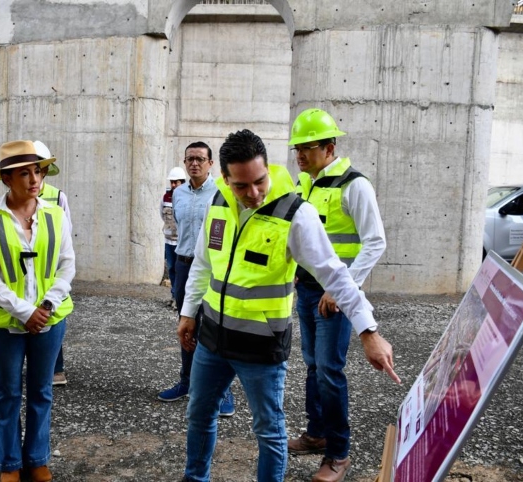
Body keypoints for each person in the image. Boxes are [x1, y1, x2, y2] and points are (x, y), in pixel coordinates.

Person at [177, 129, 399, 482]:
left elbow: (336, 275)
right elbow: (204, 263)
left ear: (268, 168)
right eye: (241, 186)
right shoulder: (217, 203)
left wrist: (368, 331)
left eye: (260, 181)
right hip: (212, 340)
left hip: (261, 347)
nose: (253, 193)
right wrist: (188, 313)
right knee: (199, 415)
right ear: (224, 179)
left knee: (269, 433)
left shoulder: (295, 213)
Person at [287, 108, 387, 482]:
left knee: (329, 370)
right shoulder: (303, 184)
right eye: (297, 147)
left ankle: (339, 454)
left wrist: (344, 288)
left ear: (329, 147)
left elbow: (375, 242)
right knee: (313, 364)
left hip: (336, 295)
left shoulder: (354, 185)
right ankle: (316, 434)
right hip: (309, 290)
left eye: (307, 147)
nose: (299, 154)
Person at [0, 140, 75, 482]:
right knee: (7, 392)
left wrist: (45, 307)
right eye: (25, 173)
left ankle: (36, 458)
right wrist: (23, 310)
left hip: (50, 318)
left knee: (42, 391)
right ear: (6, 178)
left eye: (39, 171)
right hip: (2, 322)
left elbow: (67, 265)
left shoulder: (56, 214)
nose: (35, 179)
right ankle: (9, 463)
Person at [157, 142, 234, 419]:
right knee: (186, 324)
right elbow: (174, 226)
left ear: (211, 163)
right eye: (190, 159)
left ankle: (224, 392)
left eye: (201, 159)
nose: (194, 164)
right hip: (182, 264)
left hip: (213, 269)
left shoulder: (222, 193)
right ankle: (186, 381)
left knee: (215, 328)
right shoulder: (177, 193)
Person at [33, 141, 74, 388]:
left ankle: (55, 369)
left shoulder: (58, 196)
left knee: (52, 314)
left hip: (50, 269)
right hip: (24, 268)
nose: (35, 177)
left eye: (40, 170)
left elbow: (66, 234)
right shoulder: (6, 200)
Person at [161, 166, 186, 309]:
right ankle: (174, 296)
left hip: (182, 242)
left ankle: (180, 298)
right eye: (172, 182)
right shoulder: (165, 197)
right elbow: (162, 214)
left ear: (182, 182)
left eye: (176, 182)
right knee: (171, 269)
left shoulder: (187, 197)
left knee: (181, 270)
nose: (173, 185)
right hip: (169, 241)